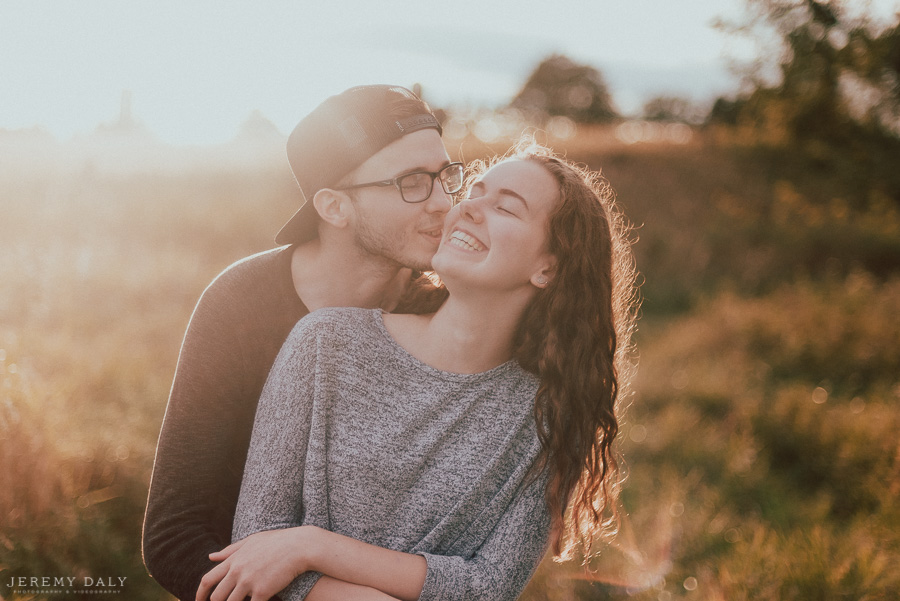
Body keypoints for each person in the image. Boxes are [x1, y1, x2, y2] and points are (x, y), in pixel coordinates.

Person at [195, 140, 639, 601]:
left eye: (506, 208)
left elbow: (488, 587)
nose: (465, 209)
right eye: (474, 192)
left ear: (548, 267)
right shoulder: (325, 343)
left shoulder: (550, 416)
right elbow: (256, 547)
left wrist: (313, 546)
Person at [142, 84, 459, 601]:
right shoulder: (240, 304)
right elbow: (174, 537)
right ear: (334, 207)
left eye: (446, 176)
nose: (444, 203)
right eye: (412, 183)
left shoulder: (447, 310)